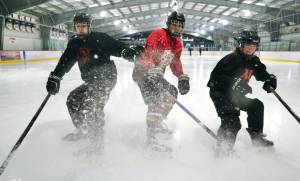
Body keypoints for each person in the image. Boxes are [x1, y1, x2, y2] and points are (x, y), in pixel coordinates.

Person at [46, 12, 137, 154]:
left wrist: (126, 52)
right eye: (78, 27)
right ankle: (84, 130)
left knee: (92, 102)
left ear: (89, 26)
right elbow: (64, 62)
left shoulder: (101, 38)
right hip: (91, 81)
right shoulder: (74, 44)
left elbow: (118, 47)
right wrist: (55, 77)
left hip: (107, 78)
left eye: (84, 26)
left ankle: (97, 140)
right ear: (74, 28)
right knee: (73, 100)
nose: (81, 29)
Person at [207, 30, 277, 156]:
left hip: (235, 95)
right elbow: (215, 78)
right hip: (220, 94)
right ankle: (223, 147)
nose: (251, 48)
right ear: (241, 44)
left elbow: (262, 73)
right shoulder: (232, 58)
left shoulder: (254, 60)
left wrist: (270, 79)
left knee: (256, 106)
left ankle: (257, 138)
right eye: (248, 44)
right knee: (232, 120)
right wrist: (235, 84)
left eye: (254, 45)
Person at [132, 11, 190, 152]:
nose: (176, 28)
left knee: (172, 93)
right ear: (168, 24)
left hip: (157, 75)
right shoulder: (158, 34)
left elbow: (175, 62)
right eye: (174, 24)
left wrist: (181, 76)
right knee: (155, 99)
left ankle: (156, 122)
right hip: (143, 73)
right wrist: (151, 67)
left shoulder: (177, 44)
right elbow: (148, 53)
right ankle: (151, 139)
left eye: (179, 26)